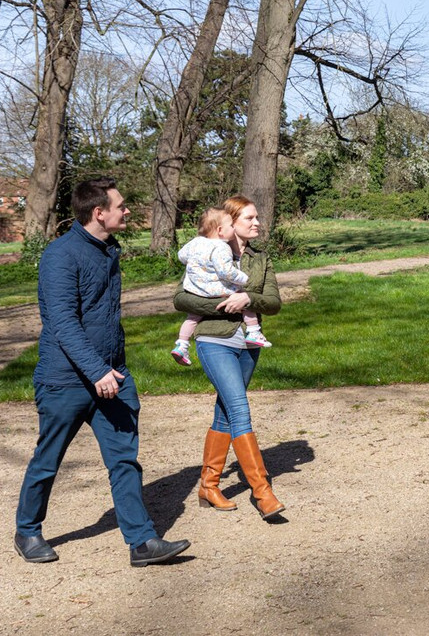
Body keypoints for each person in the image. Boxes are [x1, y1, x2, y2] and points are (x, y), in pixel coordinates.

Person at [14, 177, 191, 567]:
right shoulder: (60, 255)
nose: (127, 211)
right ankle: (27, 530)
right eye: (121, 206)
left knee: (124, 459)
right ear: (99, 212)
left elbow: (103, 316)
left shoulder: (108, 249)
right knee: (48, 459)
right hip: (65, 381)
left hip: (113, 376)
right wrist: (97, 371)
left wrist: (113, 368)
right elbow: (62, 322)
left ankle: (141, 542)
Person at [173, 194, 285, 518]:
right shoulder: (206, 250)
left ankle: (208, 486)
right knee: (238, 407)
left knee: (225, 411)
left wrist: (247, 299)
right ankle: (262, 492)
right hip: (214, 340)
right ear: (231, 223)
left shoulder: (260, 259)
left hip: (249, 344)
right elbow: (181, 298)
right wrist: (225, 305)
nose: (257, 223)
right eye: (250, 218)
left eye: (256, 217)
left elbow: (273, 302)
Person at [170, 206, 271, 367]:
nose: (233, 228)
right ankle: (253, 331)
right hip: (216, 289)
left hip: (196, 289)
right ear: (220, 231)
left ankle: (182, 344)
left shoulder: (195, 242)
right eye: (230, 226)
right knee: (243, 298)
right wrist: (243, 278)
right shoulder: (221, 247)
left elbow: (181, 256)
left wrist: (196, 264)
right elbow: (226, 271)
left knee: (192, 317)